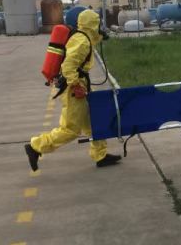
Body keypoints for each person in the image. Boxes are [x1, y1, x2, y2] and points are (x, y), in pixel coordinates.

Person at [24, 9, 121, 171]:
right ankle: (35, 146)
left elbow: (88, 43)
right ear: (92, 24)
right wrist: (76, 85)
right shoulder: (82, 41)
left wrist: (100, 36)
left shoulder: (82, 37)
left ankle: (100, 155)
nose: (100, 26)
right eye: (98, 24)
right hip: (74, 89)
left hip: (80, 85)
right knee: (70, 130)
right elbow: (68, 66)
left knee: (94, 122)